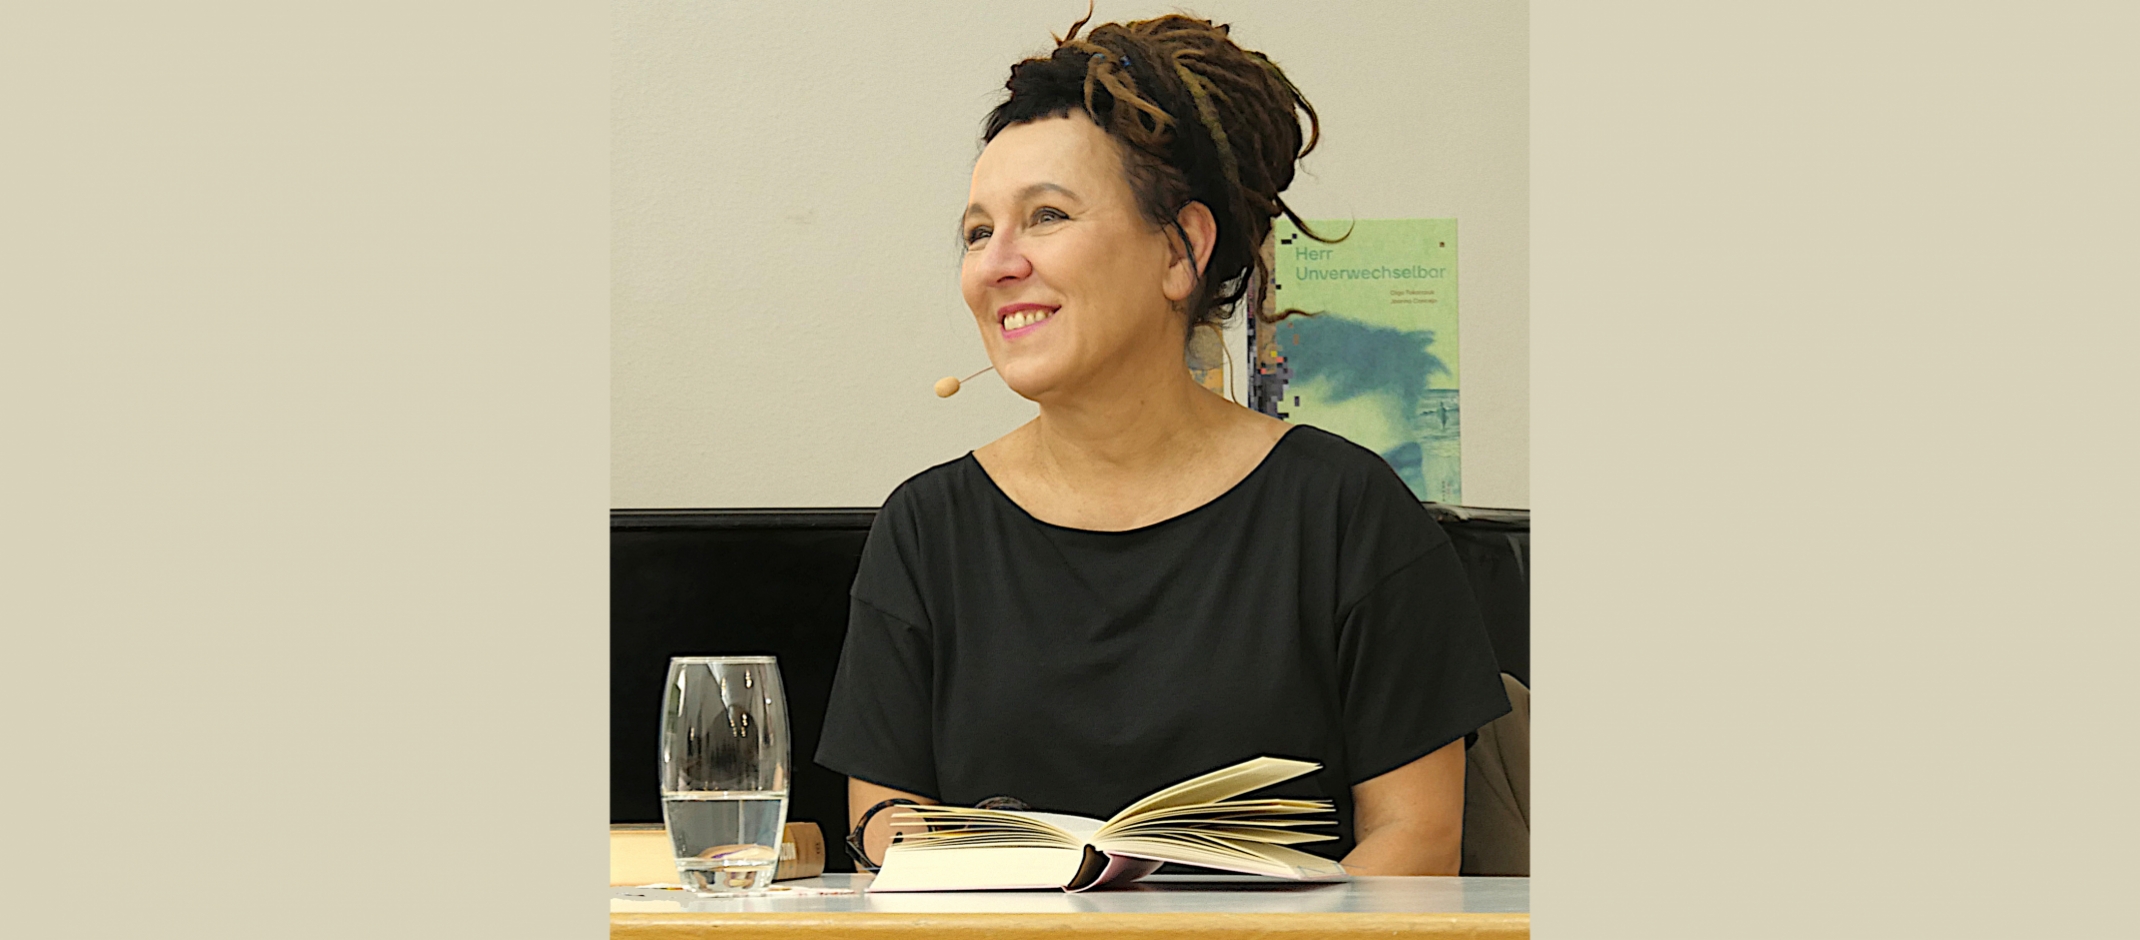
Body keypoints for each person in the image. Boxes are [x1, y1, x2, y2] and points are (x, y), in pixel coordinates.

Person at [814, 11, 1509, 877]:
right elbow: (884, 819)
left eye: (1047, 216)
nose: (996, 265)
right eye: (978, 232)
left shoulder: (1348, 512)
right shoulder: (926, 529)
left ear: (1182, 250)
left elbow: (1417, 839)